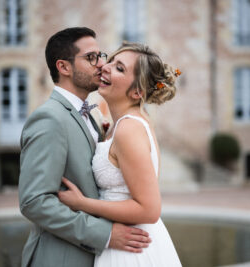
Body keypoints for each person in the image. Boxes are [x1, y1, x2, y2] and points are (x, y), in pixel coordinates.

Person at [18, 27, 151, 267]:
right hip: (60, 258)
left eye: (101, 56)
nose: (101, 64)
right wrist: (105, 234)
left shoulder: (91, 116)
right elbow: (33, 202)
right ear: (64, 67)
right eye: (91, 58)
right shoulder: (49, 118)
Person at [58, 42, 182, 266]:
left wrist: (82, 203)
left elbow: (149, 209)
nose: (106, 67)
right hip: (126, 240)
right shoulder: (123, 125)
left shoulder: (128, 129)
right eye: (112, 61)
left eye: (119, 68)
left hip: (131, 249)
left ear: (137, 92)